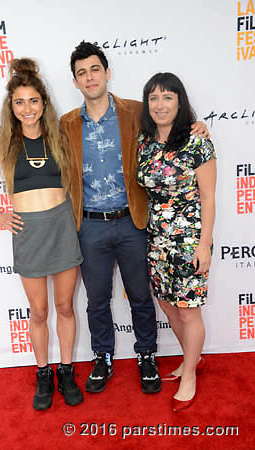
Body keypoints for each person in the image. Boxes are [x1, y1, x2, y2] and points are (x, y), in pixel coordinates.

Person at [59, 41, 209, 394]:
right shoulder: (66, 124)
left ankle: (146, 356)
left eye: (95, 69)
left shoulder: (136, 111)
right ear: (76, 81)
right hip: (90, 224)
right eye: (82, 73)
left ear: (107, 73)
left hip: (133, 222)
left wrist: (197, 124)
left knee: (141, 295)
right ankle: (102, 357)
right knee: (96, 298)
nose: (90, 77)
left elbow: (170, 117)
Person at [0, 58, 83, 410]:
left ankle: (66, 370)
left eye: (33, 101)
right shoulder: (3, 144)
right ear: (11, 107)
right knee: (40, 310)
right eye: (19, 102)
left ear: (43, 103)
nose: (27, 109)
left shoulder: (60, 136)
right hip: (27, 231)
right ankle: (43, 374)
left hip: (61, 226)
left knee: (64, 306)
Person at [137, 72, 216, 412]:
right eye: (153, 98)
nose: (160, 104)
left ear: (179, 101)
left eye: (168, 97)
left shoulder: (198, 141)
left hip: (189, 239)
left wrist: (204, 244)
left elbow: (209, 197)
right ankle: (191, 358)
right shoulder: (144, 141)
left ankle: (190, 375)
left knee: (188, 310)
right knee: (168, 305)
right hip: (156, 239)